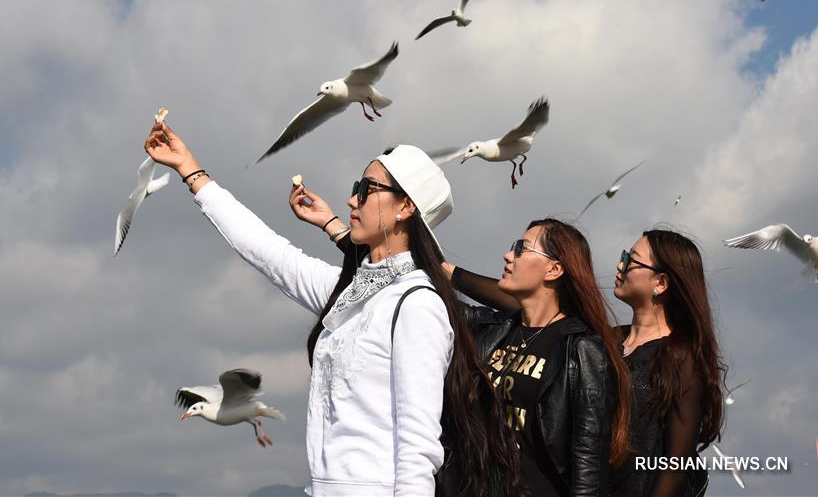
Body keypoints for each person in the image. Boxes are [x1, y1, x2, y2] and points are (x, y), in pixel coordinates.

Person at [145, 121, 519, 497]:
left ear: (406, 206)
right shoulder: (352, 291)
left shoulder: (417, 304)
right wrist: (190, 170)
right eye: (357, 188)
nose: (352, 200)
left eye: (367, 189)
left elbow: (418, 449)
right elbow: (271, 255)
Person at [292, 190, 629, 496]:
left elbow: (588, 465)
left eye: (521, 248)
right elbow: (398, 274)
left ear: (554, 269)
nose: (507, 255)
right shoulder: (489, 329)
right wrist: (334, 227)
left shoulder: (580, 350)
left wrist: (449, 270)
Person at [609, 229, 725, 497]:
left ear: (660, 283)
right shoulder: (609, 340)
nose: (620, 265)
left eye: (631, 260)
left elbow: (676, 467)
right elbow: (540, 312)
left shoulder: (681, 359)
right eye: (623, 256)